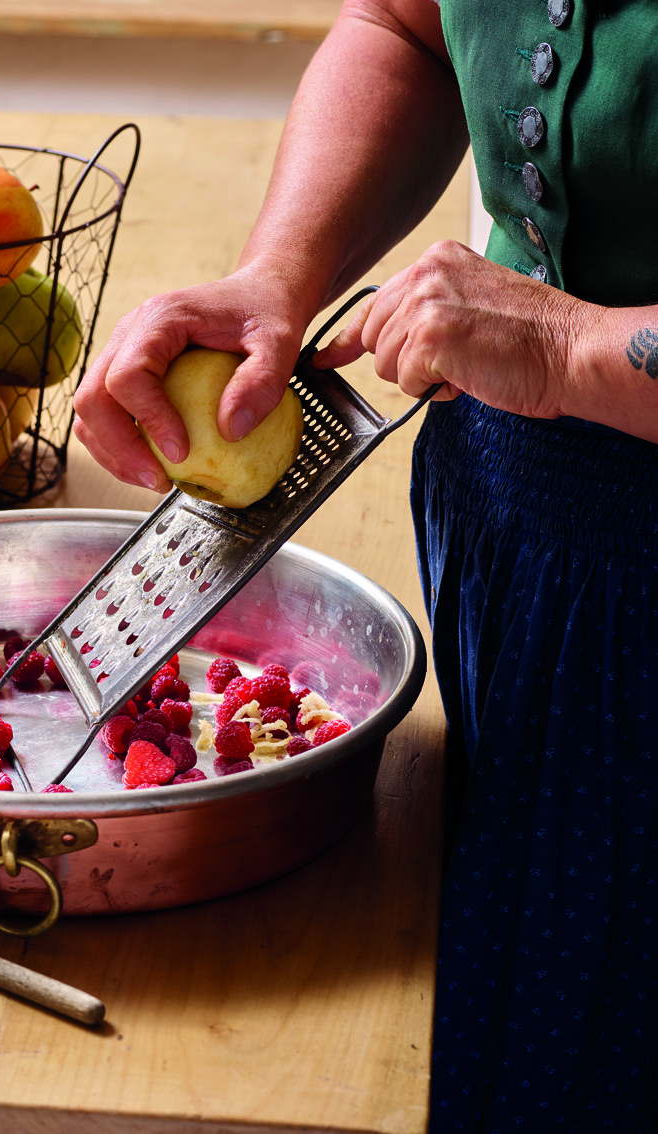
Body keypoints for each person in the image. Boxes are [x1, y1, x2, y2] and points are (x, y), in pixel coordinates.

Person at [72, 0, 658, 1129]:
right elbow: (406, 28)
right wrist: (278, 274)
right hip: (512, 516)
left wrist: (565, 345)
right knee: (508, 991)